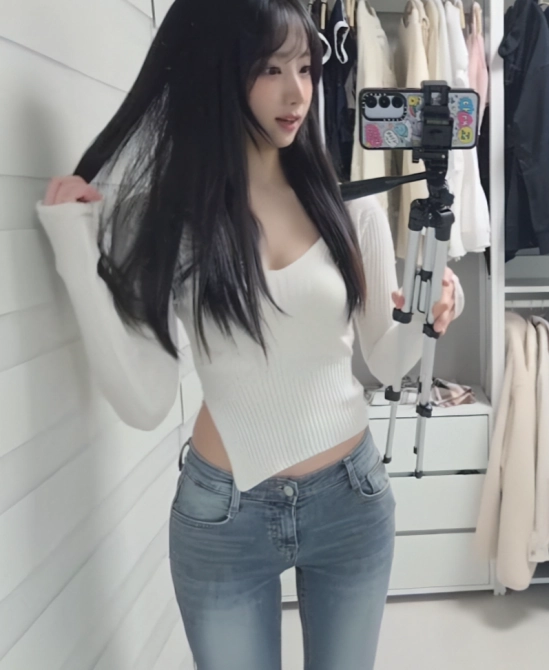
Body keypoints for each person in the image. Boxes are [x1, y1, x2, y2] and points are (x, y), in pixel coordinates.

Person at [36, 1, 464, 668]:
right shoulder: (165, 222)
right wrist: (73, 246)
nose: (298, 93)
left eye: (305, 68)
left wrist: (427, 313)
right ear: (217, 71)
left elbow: (385, 361)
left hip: (351, 500)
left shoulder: (351, 213)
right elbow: (145, 401)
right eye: (269, 69)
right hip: (222, 517)